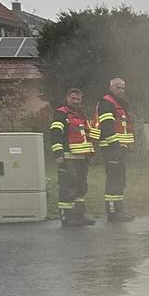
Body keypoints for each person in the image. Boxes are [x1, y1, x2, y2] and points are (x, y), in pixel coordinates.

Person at [49, 86, 97, 227]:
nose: (76, 101)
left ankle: (79, 215)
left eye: (78, 99)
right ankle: (67, 217)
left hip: (82, 158)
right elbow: (55, 134)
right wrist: (58, 154)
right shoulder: (61, 113)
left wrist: (90, 152)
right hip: (68, 157)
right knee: (68, 188)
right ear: (67, 98)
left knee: (81, 188)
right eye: (73, 98)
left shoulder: (81, 115)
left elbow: (86, 135)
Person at [93, 75, 134, 223]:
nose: (121, 90)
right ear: (111, 88)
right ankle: (113, 212)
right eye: (118, 87)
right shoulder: (107, 102)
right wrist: (115, 145)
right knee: (114, 180)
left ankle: (119, 210)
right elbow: (107, 126)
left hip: (119, 148)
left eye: (123, 88)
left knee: (120, 180)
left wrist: (127, 144)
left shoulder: (119, 104)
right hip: (111, 148)